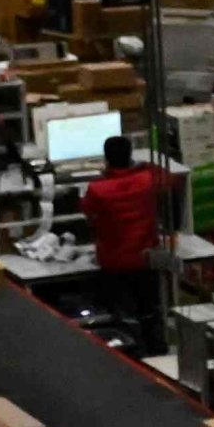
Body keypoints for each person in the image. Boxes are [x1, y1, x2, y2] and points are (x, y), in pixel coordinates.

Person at [80, 134, 167, 348]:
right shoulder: (147, 179)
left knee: (122, 312)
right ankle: (156, 348)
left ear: (106, 159)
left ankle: (130, 349)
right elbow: (169, 177)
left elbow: (87, 212)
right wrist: (142, 166)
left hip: (114, 261)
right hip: (146, 258)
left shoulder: (97, 189)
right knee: (150, 308)